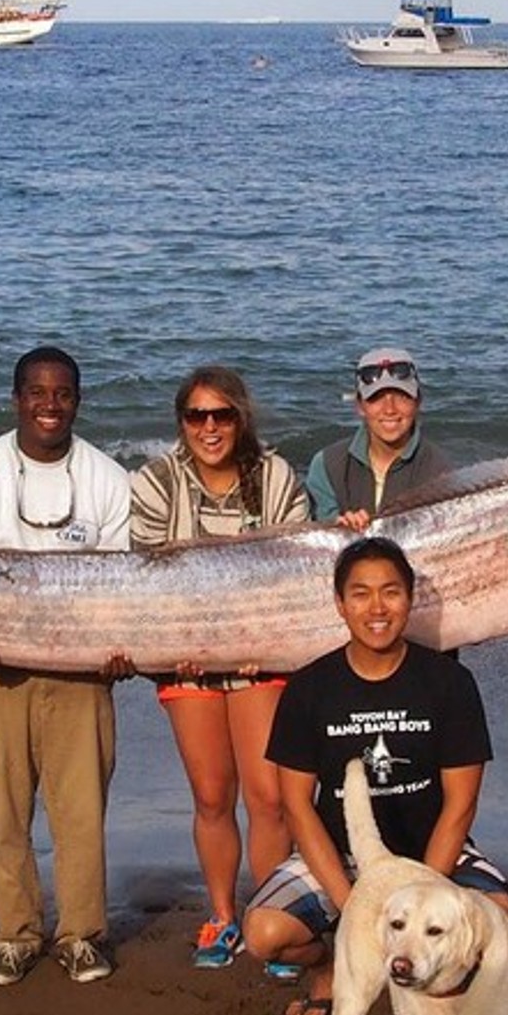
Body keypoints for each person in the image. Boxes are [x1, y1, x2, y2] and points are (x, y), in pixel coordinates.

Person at [242, 537, 508, 1015]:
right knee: (264, 934)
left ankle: (434, 999)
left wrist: (424, 892)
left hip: (431, 851)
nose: (377, 607)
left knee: (499, 919)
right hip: (343, 856)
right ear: (340, 604)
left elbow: (460, 805)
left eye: (391, 592)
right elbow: (297, 807)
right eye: (361, 593)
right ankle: (328, 967)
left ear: (410, 600)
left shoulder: (449, 683)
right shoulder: (309, 688)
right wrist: (356, 911)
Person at [0, 345, 134, 984]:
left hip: (82, 672)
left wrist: (116, 650)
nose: (51, 405)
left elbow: (120, 581)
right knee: (5, 808)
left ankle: (83, 934)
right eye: (38, 393)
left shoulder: (108, 477)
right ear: (16, 398)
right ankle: (14, 933)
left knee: (80, 812)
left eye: (63, 393)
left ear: (78, 399)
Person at [130, 366, 312, 967]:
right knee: (211, 795)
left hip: (261, 653)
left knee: (269, 798)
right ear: (182, 423)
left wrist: (264, 638)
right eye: (197, 416)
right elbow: (146, 579)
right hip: (187, 658)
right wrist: (176, 643)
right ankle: (222, 916)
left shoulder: (276, 477)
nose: (210, 428)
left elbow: (295, 569)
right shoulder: (156, 482)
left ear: (241, 417)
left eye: (222, 415)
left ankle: (272, 914)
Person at [303, 347, 457, 525]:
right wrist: (336, 526)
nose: (390, 409)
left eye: (401, 396)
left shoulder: (440, 471)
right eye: (376, 397)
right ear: (360, 406)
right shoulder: (327, 465)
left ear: (417, 402)